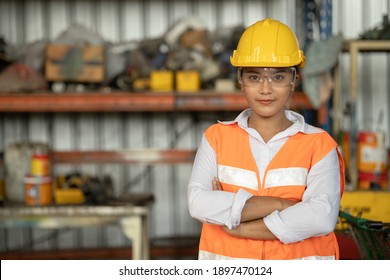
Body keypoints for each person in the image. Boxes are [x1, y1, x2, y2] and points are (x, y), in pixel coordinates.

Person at [187, 17, 345, 260]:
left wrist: (238, 222)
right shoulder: (215, 138)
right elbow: (198, 203)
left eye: (278, 77)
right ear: (241, 80)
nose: (265, 89)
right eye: (254, 77)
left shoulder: (319, 144)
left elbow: (321, 217)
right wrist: (284, 206)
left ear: (294, 80)